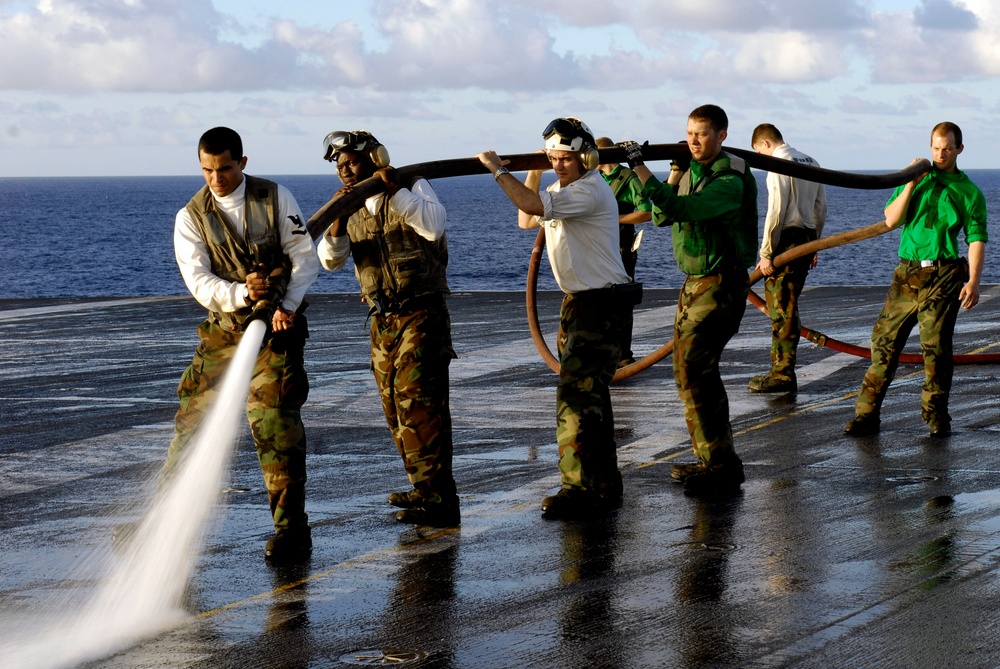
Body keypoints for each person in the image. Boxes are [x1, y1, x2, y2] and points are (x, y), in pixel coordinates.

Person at [168, 126, 319, 561]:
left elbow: (304, 257)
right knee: (190, 428)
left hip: (277, 331)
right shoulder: (190, 217)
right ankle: (161, 524)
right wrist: (243, 294)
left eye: (225, 168)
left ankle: (292, 530)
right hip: (225, 331)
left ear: (243, 163)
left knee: (274, 422)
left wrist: (284, 306)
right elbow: (199, 282)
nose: (216, 179)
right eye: (207, 170)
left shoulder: (275, 199)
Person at [476, 117, 637, 519]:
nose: (559, 164)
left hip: (598, 305)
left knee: (574, 400)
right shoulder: (560, 189)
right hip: (581, 303)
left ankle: (577, 488)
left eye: (565, 157)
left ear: (585, 157)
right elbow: (526, 219)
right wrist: (533, 170)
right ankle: (602, 482)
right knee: (592, 398)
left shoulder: (589, 191)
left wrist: (498, 169)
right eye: (553, 158)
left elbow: (531, 207)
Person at [316, 130, 460, 527]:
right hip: (382, 320)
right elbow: (330, 261)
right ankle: (423, 487)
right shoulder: (347, 203)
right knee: (395, 410)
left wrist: (392, 190)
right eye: (340, 165)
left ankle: (440, 500)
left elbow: (433, 225)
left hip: (421, 312)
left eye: (352, 162)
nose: (345, 171)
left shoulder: (413, 186)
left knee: (420, 403)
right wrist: (339, 218)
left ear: (376, 158)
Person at [621, 104, 758, 494]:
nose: (694, 141)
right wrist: (676, 171)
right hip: (695, 283)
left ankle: (722, 466)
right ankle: (713, 460)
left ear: (722, 136)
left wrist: (638, 167)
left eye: (702, 134)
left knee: (696, 368)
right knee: (688, 372)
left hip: (720, 283)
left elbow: (682, 208)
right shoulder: (694, 170)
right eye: (689, 133)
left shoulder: (730, 179)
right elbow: (662, 217)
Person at [844, 122, 987, 439]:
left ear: (959, 149)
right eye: (936, 147)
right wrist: (910, 183)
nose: (940, 153)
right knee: (884, 344)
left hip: (944, 273)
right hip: (907, 273)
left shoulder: (970, 192)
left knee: (935, 351)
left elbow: (976, 239)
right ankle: (866, 417)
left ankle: (936, 417)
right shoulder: (915, 179)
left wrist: (974, 281)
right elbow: (892, 219)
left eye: (947, 148)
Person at [747, 124, 827, 393]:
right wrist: (814, 245)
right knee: (789, 304)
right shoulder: (811, 160)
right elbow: (820, 207)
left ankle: (782, 374)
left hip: (786, 240)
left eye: (760, 153)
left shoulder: (779, 165)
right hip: (806, 236)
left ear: (765, 144)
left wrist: (766, 253)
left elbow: (776, 212)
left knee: (781, 308)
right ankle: (783, 370)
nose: (762, 159)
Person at [595, 136, 653, 367]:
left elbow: (647, 212)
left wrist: (613, 218)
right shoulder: (594, 178)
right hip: (597, 249)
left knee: (621, 301)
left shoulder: (628, 179)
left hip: (621, 249)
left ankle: (623, 354)